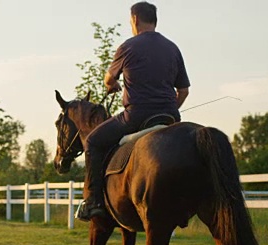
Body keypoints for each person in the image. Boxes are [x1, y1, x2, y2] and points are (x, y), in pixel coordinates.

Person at [77, 1, 191, 221]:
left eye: (130, 21)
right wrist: (168, 109)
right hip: (170, 116)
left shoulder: (128, 46)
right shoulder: (173, 48)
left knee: (92, 142)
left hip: (135, 117)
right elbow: (184, 91)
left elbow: (109, 79)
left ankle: (93, 202)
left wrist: (112, 85)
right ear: (154, 21)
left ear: (135, 19)